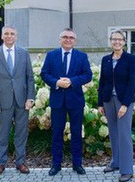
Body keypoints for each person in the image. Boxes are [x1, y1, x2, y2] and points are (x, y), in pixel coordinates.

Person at [40, 28, 92, 176]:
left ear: (74, 41)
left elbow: (88, 75)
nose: (68, 39)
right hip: (57, 101)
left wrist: (72, 81)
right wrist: (56, 82)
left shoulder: (82, 56)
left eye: (71, 37)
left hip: (75, 101)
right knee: (57, 133)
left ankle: (77, 164)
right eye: (65, 37)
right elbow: (44, 74)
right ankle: (56, 165)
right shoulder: (52, 55)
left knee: (76, 133)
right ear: (60, 39)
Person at [0, 25, 35, 176]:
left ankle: (20, 162)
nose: (9, 36)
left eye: (12, 34)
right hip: (3, 101)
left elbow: (30, 77)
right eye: (6, 34)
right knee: (3, 134)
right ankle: (0, 163)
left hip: (22, 101)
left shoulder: (24, 53)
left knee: (21, 133)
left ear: (16, 36)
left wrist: (30, 98)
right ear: (2, 36)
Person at [97, 29, 135, 182]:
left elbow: (132, 83)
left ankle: (127, 169)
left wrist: (125, 105)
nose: (117, 42)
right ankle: (116, 162)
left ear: (124, 42)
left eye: (120, 39)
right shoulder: (106, 59)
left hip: (123, 101)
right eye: (114, 39)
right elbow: (102, 81)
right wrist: (100, 102)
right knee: (113, 132)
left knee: (124, 134)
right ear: (111, 40)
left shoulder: (130, 59)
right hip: (108, 100)